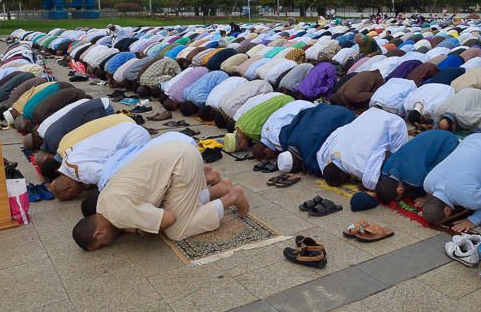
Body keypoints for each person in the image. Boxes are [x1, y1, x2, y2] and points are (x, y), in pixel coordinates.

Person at [72, 141, 249, 250]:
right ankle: (220, 189)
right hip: (175, 151)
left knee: (177, 229)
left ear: (98, 234)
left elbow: (168, 219)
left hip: (182, 161)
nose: (109, 243)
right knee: (169, 207)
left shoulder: (119, 215)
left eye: (103, 244)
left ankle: (232, 197)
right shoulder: (102, 202)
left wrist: (135, 228)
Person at [421, 132, 481, 232]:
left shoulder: (468, 197)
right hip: (474, 138)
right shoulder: (427, 183)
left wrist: (474, 220)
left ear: (447, 210)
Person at [49, 121, 151, 200]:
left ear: (68, 188)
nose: (79, 194)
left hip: (134, 139)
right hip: (126, 127)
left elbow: (110, 177)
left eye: (72, 196)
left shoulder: (81, 171)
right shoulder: (67, 158)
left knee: (132, 175)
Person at [317, 108, 408, 189]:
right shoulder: (329, 152)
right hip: (370, 113)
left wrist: (364, 184)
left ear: (342, 175)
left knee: (397, 157)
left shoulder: (357, 168)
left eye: (343, 181)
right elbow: (321, 153)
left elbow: (371, 182)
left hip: (395, 123)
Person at [375, 130, 459, 203]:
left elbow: (432, 181)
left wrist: (425, 198)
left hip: (448, 142)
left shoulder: (415, 179)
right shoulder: (386, 168)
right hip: (434, 135)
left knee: (435, 172)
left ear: (399, 190)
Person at [277, 104, 356, 176]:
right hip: (326, 108)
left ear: (296, 164)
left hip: (344, 116)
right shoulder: (287, 138)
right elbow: (301, 115)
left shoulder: (308, 155)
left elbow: (321, 169)